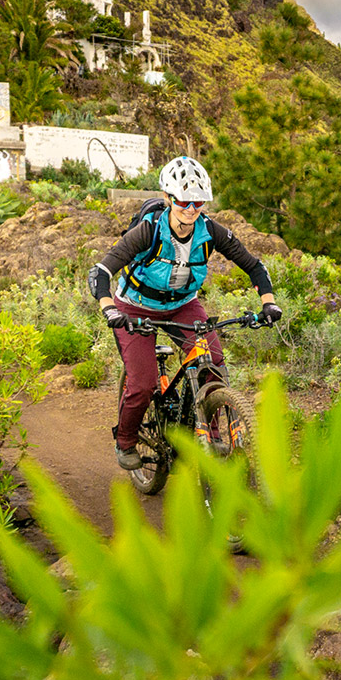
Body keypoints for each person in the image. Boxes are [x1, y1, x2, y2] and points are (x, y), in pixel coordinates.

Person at [87, 155, 282, 470]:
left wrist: (268, 303)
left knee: (213, 364)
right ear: (168, 198)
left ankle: (211, 436)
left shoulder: (210, 231)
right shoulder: (149, 230)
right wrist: (109, 308)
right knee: (143, 383)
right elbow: (101, 272)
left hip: (182, 306)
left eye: (198, 202)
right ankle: (125, 441)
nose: (191, 209)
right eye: (183, 201)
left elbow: (254, 266)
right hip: (134, 306)